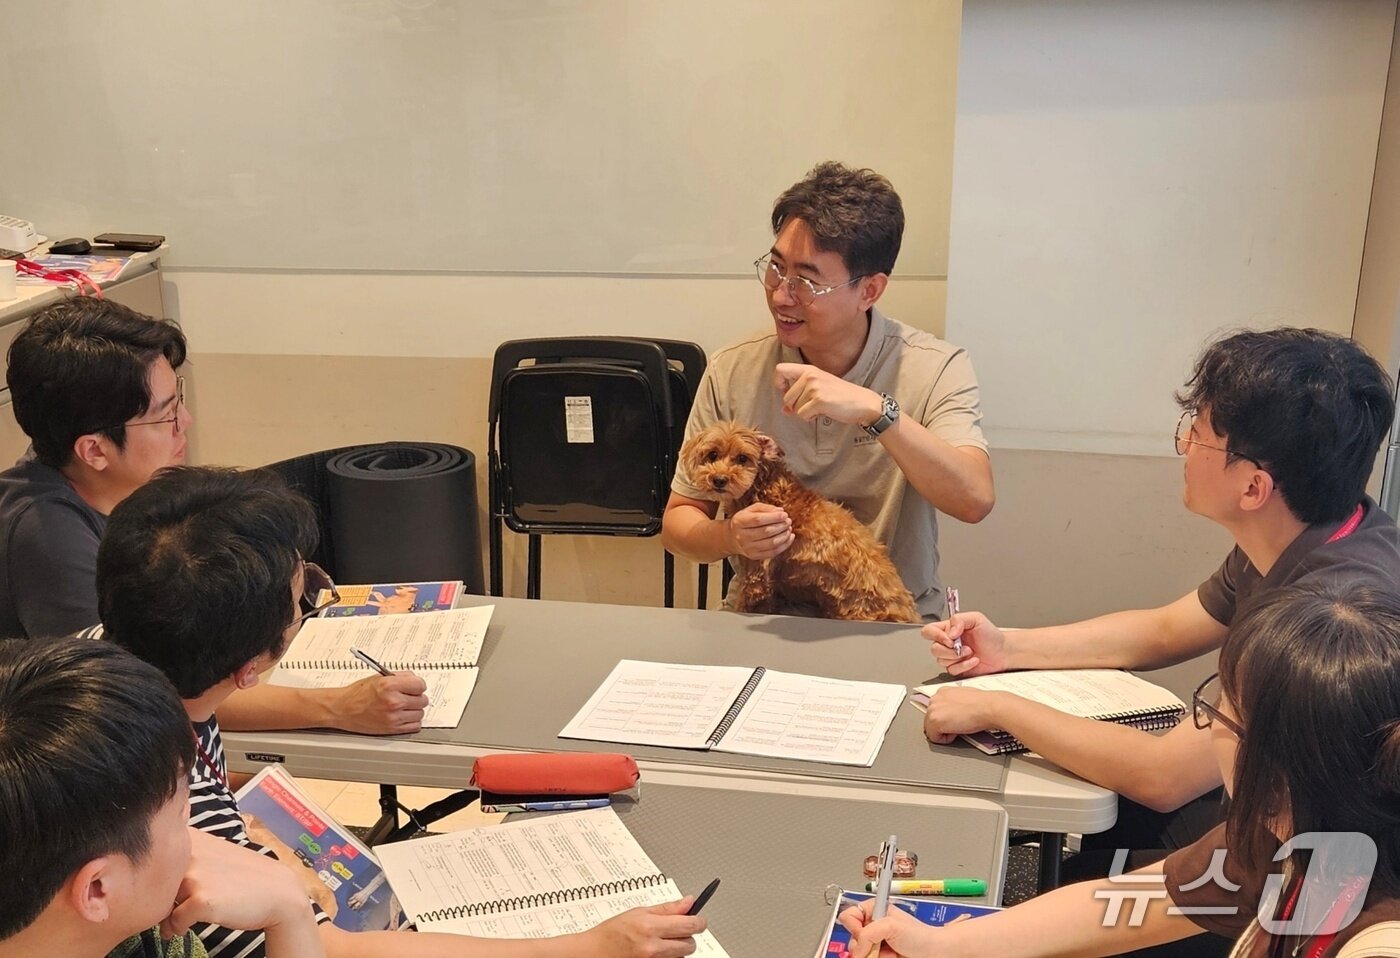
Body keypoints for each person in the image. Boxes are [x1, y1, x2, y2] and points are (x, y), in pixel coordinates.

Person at [98, 465, 708, 958]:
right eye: (302, 596)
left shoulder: (108, 656)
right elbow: (326, 947)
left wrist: (332, 708)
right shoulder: (163, 809)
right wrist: (588, 948)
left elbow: (211, 701)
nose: (309, 600)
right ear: (249, 666)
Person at [922, 327, 1399, 876]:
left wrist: (997, 708)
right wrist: (1006, 648)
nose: (1184, 447)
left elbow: (1163, 776)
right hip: (1280, 817)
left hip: (1327, 880)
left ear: (1253, 488)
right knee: (1111, 824)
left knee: (1091, 870)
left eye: (1197, 434)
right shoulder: (1313, 528)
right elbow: (1165, 630)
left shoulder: (1326, 614)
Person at [843, 582, 1400, 958]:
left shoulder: (1375, 940)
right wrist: (945, 945)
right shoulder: (1280, 832)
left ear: (1276, 766)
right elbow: (1128, 904)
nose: (1205, 727)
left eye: (1218, 711)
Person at [0, 297, 426, 736]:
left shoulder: (92, 474)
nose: (185, 420)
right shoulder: (46, 537)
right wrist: (336, 707)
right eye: (165, 415)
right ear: (94, 449)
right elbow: (149, 692)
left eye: (178, 399)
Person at [661, 161, 994, 619]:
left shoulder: (935, 367)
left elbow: (974, 499)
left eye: (807, 282)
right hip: (763, 618)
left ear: (870, 290)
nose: (781, 295)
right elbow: (679, 522)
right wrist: (730, 537)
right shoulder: (733, 368)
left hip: (888, 620)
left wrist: (877, 411)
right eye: (775, 269)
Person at [0, 636, 326, 958]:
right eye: (181, 813)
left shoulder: (147, 937)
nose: (195, 827)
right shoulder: (156, 938)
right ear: (97, 888)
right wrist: (290, 909)